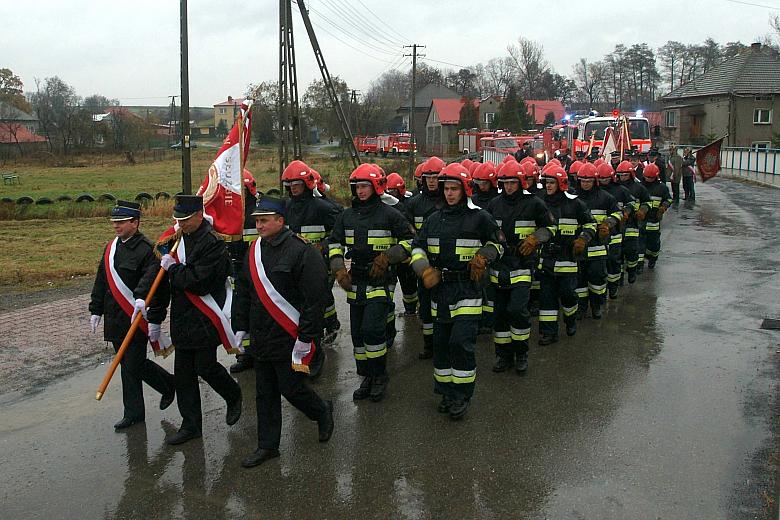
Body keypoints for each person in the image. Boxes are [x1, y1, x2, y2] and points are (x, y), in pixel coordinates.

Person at [232, 196, 334, 468]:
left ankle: (322, 412)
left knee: (292, 389)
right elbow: (243, 291)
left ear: (280, 220)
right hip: (261, 335)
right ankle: (267, 446)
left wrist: (306, 337)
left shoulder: (302, 251)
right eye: (257, 220)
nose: (259, 225)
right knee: (264, 392)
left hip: (289, 335)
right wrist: (239, 326)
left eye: (264, 220)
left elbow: (315, 299)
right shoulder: (253, 251)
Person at [408, 163, 504, 419]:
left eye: (454, 188)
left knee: (460, 343)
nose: (449, 193)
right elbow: (417, 248)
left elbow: (499, 244)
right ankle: (447, 392)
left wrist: (484, 255)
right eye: (446, 188)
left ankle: (462, 394)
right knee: (441, 345)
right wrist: (423, 269)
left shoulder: (480, 217)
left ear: (464, 190)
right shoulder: (433, 220)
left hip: (467, 289)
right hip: (440, 290)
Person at [151, 195, 243, 445]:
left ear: (199, 216)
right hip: (182, 315)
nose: (181, 224)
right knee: (183, 374)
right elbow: (161, 279)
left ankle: (232, 393)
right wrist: (153, 313)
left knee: (205, 366)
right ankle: (191, 425)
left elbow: (200, 282)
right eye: (178, 220)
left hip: (205, 314)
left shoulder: (212, 243)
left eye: (186, 219)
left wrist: (173, 269)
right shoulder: (176, 240)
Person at [328, 164, 414, 402]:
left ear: (376, 187)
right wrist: (338, 269)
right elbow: (335, 244)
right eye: (357, 187)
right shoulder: (346, 216)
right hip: (356, 280)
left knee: (372, 329)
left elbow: (411, 242)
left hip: (380, 280)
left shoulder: (390, 214)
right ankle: (366, 376)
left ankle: (379, 375)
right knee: (357, 334)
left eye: (365, 186)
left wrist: (388, 257)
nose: (360, 191)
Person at [89, 200, 175, 430]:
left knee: (132, 364)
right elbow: (102, 280)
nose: (116, 226)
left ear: (135, 223)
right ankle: (153, 396)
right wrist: (96, 308)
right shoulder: (111, 248)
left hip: (136, 316)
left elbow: (152, 277)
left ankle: (152, 398)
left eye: (121, 222)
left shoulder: (147, 249)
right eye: (114, 222)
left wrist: (141, 296)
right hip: (116, 318)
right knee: (128, 364)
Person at [486, 161, 554, 374]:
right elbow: (484, 231)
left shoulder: (534, 203)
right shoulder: (493, 204)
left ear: (521, 182)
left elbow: (551, 227)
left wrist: (536, 238)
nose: (508, 187)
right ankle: (503, 355)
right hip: (498, 268)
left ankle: (521, 353)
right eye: (505, 182)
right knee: (499, 314)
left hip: (523, 265)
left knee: (517, 311)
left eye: (512, 182)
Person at [281, 160, 342, 378]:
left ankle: (315, 359)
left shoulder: (323, 208)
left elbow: (339, 232)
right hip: (293, 268)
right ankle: (302, 352)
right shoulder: (285, 207)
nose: (293, 188)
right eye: (290, 185)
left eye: (297, 184)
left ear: (307, 183)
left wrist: (323, 247)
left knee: (315, 307)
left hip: (318, 266)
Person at [537, 166, 596, 344]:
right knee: (547, 299)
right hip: (546, 259)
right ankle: (549, 333)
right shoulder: (539, 203)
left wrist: (583, 239)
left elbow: (591, 224)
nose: (548, 186)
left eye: (551, 183)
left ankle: (570, 318)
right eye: (546, 182)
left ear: (561, 184)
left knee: (568, 294)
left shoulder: (575, 204)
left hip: (567, 259)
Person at [405, 157, 445, 359]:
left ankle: (443, 343)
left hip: (445, 264)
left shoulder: (449, 200)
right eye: (428, 177)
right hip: (424, 264)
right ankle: (429, 345)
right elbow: (407, 228)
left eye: (435, 177)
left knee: (444, 307)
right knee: (426, 307)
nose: (431, 181)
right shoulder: (414, 203)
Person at [572, 162, 620, 319]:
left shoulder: (606, 198)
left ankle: (597, 305)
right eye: (583, 181)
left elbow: (617, 214)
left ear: (595, 181)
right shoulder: (572, 197)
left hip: (598, 247)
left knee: (597, 279)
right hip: (579, 247)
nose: (585, 184)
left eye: (589, 181)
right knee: (579, 281)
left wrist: (609, 223)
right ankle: (582, 306)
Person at [597, 162, 635, 298]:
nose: (603, 182)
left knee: (613, 260)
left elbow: (632, 203)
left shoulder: (621, 190)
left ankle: (613, 285)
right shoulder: (595, 193)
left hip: (614, 233)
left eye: (605, 179)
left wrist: (626, 211)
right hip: (598, 235)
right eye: (600, 179)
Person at [386, 172, 419, 316]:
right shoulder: (384, 206)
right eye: (389, 191)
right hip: (391, 254)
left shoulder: (408, 205)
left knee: (409, 286)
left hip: (405, 255)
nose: (391, 194)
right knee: (388, 288)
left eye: (393, 191)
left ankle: (411, 310)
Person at [615, 162, 651, 283]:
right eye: (620, 175)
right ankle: (619, 276)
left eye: (625, 175)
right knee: (617, 254)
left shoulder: (639, 187)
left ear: (630, 174)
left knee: (631, 250)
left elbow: (648, 202)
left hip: (632, 224)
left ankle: (631, 269)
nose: (623, 178)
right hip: (618, 225)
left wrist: (643, 210)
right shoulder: (615, 189)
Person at [640, 163, 672, 269]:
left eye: (651, 177)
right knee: (640, 243)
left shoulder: (662, 187)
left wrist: (663, 207)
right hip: (642, 220)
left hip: (654, 220)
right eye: (646, 177)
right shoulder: (640, 186)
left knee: (654, 243)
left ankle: (653, 258)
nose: (648, 179)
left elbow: (668, 199)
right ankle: (641, 260)